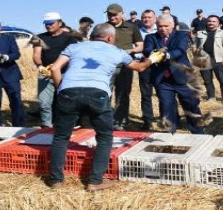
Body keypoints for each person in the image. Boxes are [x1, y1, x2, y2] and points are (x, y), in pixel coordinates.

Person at [47, 23, 165, 191]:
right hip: (97, 93)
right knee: (104, 137)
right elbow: (139, 67)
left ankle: (56, 181)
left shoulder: (75, 47)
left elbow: (55, 68)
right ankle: (95, 181)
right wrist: (154, 58)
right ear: (109, 38)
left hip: (69, 91)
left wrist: (61, 90)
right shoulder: (117, 51)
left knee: (61, 137)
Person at [144, 14, 206, 134]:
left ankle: (198, 131)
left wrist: (165, 55)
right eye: (160, 26)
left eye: (166, 26)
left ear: (173, 25)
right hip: (162, 79)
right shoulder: (150, 37)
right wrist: (155, 53)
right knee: (166, 107)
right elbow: (147, 50)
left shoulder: (181, 35)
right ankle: (169, 133)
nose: (162, 29)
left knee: (190, 104)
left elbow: (180, 50)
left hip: (182, 77)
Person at [32, 12, 77, 128]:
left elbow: (73, 56)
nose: (48, 26)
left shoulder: (70, 38)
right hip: (46, 73)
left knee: (66, 102)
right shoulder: (38, 37)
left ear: (59, 23)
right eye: (46, 24)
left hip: (65, 73)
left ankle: (65, 126)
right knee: (44, 103)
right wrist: (40, 66)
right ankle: (46, 127)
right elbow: (36, 54)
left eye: (51, 23)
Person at [105, 3, 144, 130]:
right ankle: (105, 121)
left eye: (115, 14)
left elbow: (140, 46)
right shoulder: (103, 28)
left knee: (123, 94)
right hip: (106, 66)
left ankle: (120, 121)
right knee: (105, 93)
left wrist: (129, 51)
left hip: (126, 66)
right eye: (109, 14)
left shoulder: (132, 27)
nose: (112, 17)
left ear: (122, 14)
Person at [194, 15, 223, 104]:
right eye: (209, 21)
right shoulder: (200, 33)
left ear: (218, 23)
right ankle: (211, 97)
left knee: (222, 79)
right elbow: (194, 46)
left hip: (218, 60)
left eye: (214, 21)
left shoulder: (222, 33)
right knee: (207, 80)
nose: (211, 23)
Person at [136, 9, 158, 131]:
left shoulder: (160, 29)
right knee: (146, 94)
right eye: (144, 17)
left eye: (149, 17)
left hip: (160, 65)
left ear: (154, 18)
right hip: (144, 64)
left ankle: (168, 118)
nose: (147, 19)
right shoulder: (138, 32)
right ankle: (148, 121)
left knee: (163, 93)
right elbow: (136, 49)